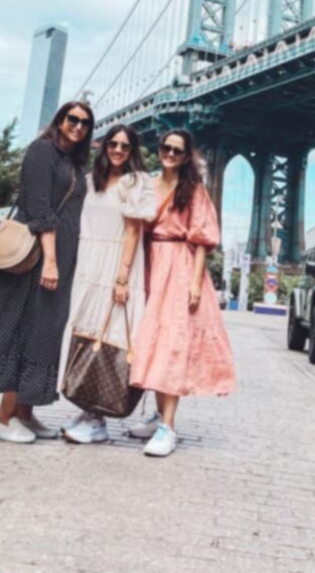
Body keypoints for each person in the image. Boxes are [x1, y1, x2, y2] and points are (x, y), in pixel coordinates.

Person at [0, 101, 93, 443]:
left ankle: (25, 413)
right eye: (72, 119)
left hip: (61, 257)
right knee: (23, 329)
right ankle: (3, 418)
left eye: (85, 123)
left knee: (45, 333)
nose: (78, 126)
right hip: (34, 260)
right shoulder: (41, 151)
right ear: (60, 120)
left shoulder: (71, 161)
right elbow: (40, 210)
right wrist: (50, 260)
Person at [128, 129, 235, 457]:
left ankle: (168, 428)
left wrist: (194, 283)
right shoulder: (146, 184)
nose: (170, 154)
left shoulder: (194, 190)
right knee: (153, 341)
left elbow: (202, 238)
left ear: (187, 156)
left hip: (179, 267)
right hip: (149, 264)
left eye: (177, 150)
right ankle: (160, 416)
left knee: (171, 343)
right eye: (165, 148)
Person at [60, 123, 156, 443]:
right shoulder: (91, 181)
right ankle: (88, 410)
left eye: (125, 146)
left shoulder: (135, 182)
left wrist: (122, 277)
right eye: (112, 144)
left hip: (115, 268)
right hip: (88, 266)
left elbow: (132, 232)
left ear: (133, 152)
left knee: (109, 336)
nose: (117, 150)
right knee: (86, 334)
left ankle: (98, 418)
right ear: (104, 148)